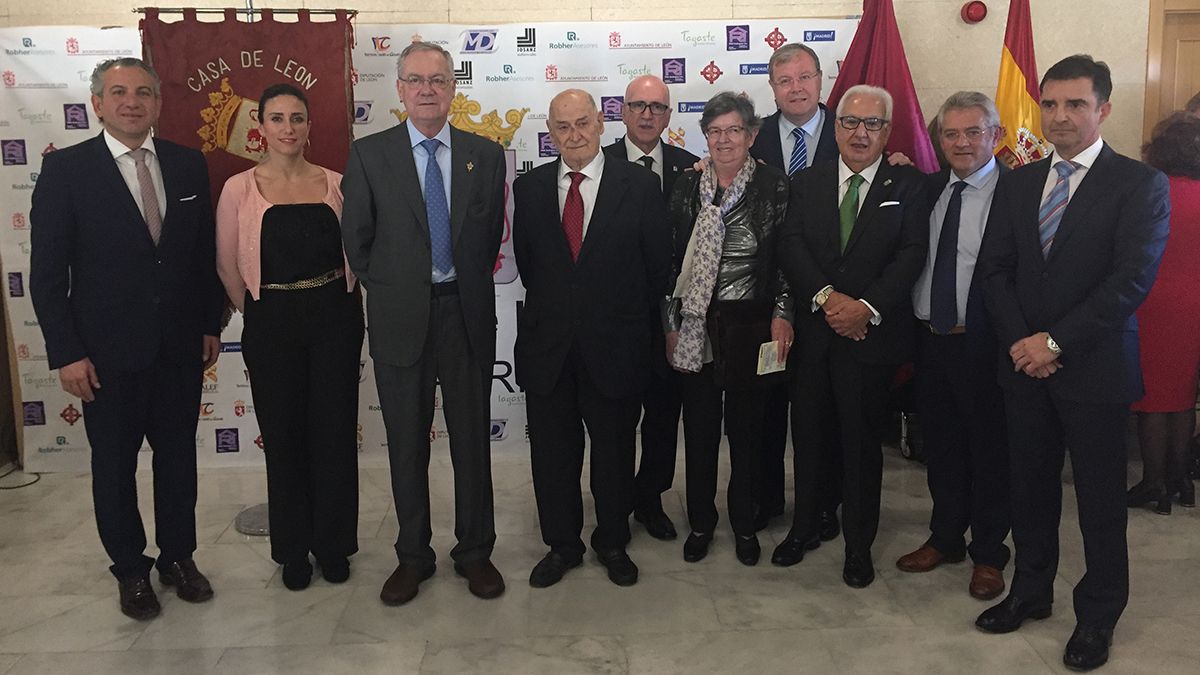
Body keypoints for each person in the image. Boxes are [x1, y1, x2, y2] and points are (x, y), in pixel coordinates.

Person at [975, 55, 1171, 672]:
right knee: (1028, 489)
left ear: (1102, 109)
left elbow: (1128, 283)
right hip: (1023, 367)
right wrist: (1021, 344)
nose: (1060, 116)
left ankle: (1098, 615)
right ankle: (1030, 592)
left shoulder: (1139, 184)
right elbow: (996, 270)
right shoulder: (1019, 180)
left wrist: (1051, 343)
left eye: (1075, 104)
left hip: (1093, 369)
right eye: (1051, 104)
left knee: (1099, 501)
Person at [29, 57, 224, 620]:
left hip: (179, 346)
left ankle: (178, 557)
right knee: (114, 467)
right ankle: (131, 569)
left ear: (159, 103)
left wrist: (210, 323)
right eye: (118, 92)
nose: (132, 102)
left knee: (178, 460)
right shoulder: (67, 171)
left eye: (143, 92)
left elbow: (199, 255)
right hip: (104, 354)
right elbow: (47, 275)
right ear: (97, 103)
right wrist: (66, 352)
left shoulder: (188, 166)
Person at [340, 42, 507, 606]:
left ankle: (475, 552)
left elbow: (485, 242)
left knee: (470, 442)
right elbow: (357, 245)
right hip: (399, 319)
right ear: (400, 89)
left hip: (465, 314)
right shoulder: (368, 155)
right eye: (416, 80)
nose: (428, 89)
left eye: (438, 79)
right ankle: (413, 556)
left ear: (453, 87)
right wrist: (399, 287)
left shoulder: (484, 155)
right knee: (406, 444)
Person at [512, 89, 671, 588]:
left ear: (601, 123)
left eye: (583, 123)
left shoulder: (640, 186)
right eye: (563, 126)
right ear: (550, 130)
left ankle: (612, 541)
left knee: (614, 453)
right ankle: (562, 545)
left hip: (616, 345)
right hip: (550, 348)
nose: (574, 135)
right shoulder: (530, 188)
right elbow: (531, 268)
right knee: (553, 457)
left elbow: (656, 269)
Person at [775, 85, 928, 587]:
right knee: (812, 438)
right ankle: (804, 528)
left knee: (862, 447)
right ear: (834, 126)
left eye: (873, 124)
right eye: (850, 122)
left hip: (870, 340)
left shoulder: (908, 184)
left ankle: (858, 546)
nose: (860, 133)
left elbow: (911, 255)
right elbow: (791, 244)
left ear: (887, 130)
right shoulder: (805, 180)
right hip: (816, 336)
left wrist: (865, 307)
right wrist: (825, 298)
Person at [215, 84, 363, 590]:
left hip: (335, 318)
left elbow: (356, 254)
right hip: (272, 321)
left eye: (296, 118)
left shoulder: (337, 183)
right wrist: (257, 311)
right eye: (276, 118)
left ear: (308, 125)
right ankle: (294, 550)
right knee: (284, 438)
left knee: (335, 434)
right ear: (259, 125)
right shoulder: (239, 188)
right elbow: (228, 263)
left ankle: (334, 544)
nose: (287, 127)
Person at [665, 92, 792, 566]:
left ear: (752, 135)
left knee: (747, 433)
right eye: (715, 131)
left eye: (734, 130)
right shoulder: (685, 187)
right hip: (697, 325)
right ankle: (701, 522)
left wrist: (783, 313)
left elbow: (784, 261)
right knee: (698, 433)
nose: (724, 140)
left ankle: (744, 522)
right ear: (705, 137)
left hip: (750, 326)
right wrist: (671, 322)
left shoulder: (774, 186)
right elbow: (670, 261)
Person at [898, 92, 1010, 601]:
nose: (961, 143)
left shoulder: (1018, 193)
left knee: (989, 451)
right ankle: (945, 538)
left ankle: (989, 553)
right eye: (950, 133)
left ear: (996, 136)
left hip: (986, 345)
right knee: (939, 447)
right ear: (938, 139)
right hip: (931, 341)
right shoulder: (926, 189)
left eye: (973, 132)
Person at [602, 75, 700, 542]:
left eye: (657, 107)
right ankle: (615, 501)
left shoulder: (689, 168)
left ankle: (651, 498)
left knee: (664, 415)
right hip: (617, 319)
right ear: (622, 111)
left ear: (669, 114)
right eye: (638, 105)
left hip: (675, 319)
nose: (646, 115)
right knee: (618, 418)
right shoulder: (596, 165)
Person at [750, 43, 841, 536]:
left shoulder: (850, 131)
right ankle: (765, 501)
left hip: (828, 299)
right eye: (785, 80)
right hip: (764, 299)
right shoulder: (752, 136)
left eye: (805, 77)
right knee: (765, 409)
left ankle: (823, 505)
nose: (796, 88)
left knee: (821, 414)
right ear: (772, 87)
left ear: (821, 79)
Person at [1126, 112, 1200, 514]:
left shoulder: (1149, 189)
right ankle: (1181, 480)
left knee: (1152, 397)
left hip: (1151, 302)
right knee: (1183, 395)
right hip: (1194, 304)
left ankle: (1154, 484)